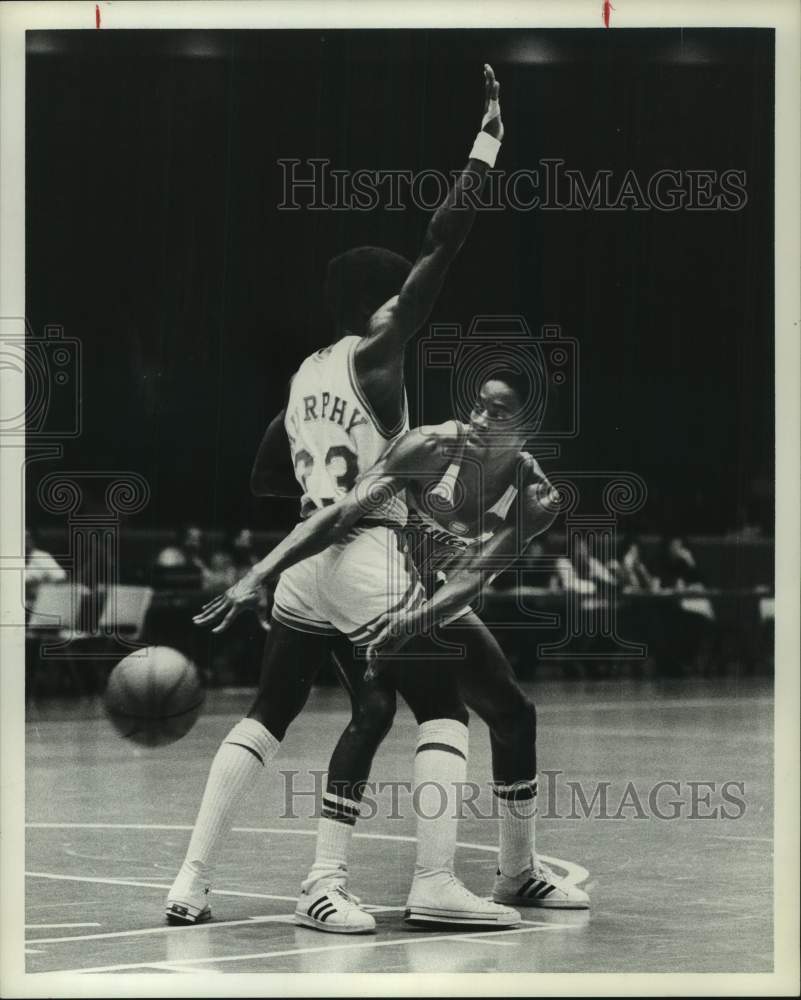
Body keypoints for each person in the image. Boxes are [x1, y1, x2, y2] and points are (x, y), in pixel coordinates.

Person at [167, 64, 520, 932]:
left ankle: (190, 881)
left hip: (304, 564)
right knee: (440, 707)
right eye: (401, 296)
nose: (414, 304)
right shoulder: (376, 353)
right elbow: (447, 239)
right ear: (381, 305)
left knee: (277, 712)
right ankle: (426, 884)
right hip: (363, 556)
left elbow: (263, 473)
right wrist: (488, 142)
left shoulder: (301, 377)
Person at [194, 371, 590, 924]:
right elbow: (344, 513)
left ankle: (517, 874)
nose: (480, 420)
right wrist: (261, 569)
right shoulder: (430, 447)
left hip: (430, 601)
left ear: (526, 428)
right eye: (478, 406)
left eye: (498, 414)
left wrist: (419, 616)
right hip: (368, 584)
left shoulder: (537, 495)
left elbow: (475, 575)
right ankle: (335, 879)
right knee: (378, 708)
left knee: (515, 713)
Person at [24, 528, 67, 607]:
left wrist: (42, 582)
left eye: (27, 539)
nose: (25, 543)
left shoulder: (42, 556)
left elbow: (61, 576)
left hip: (42, 600)